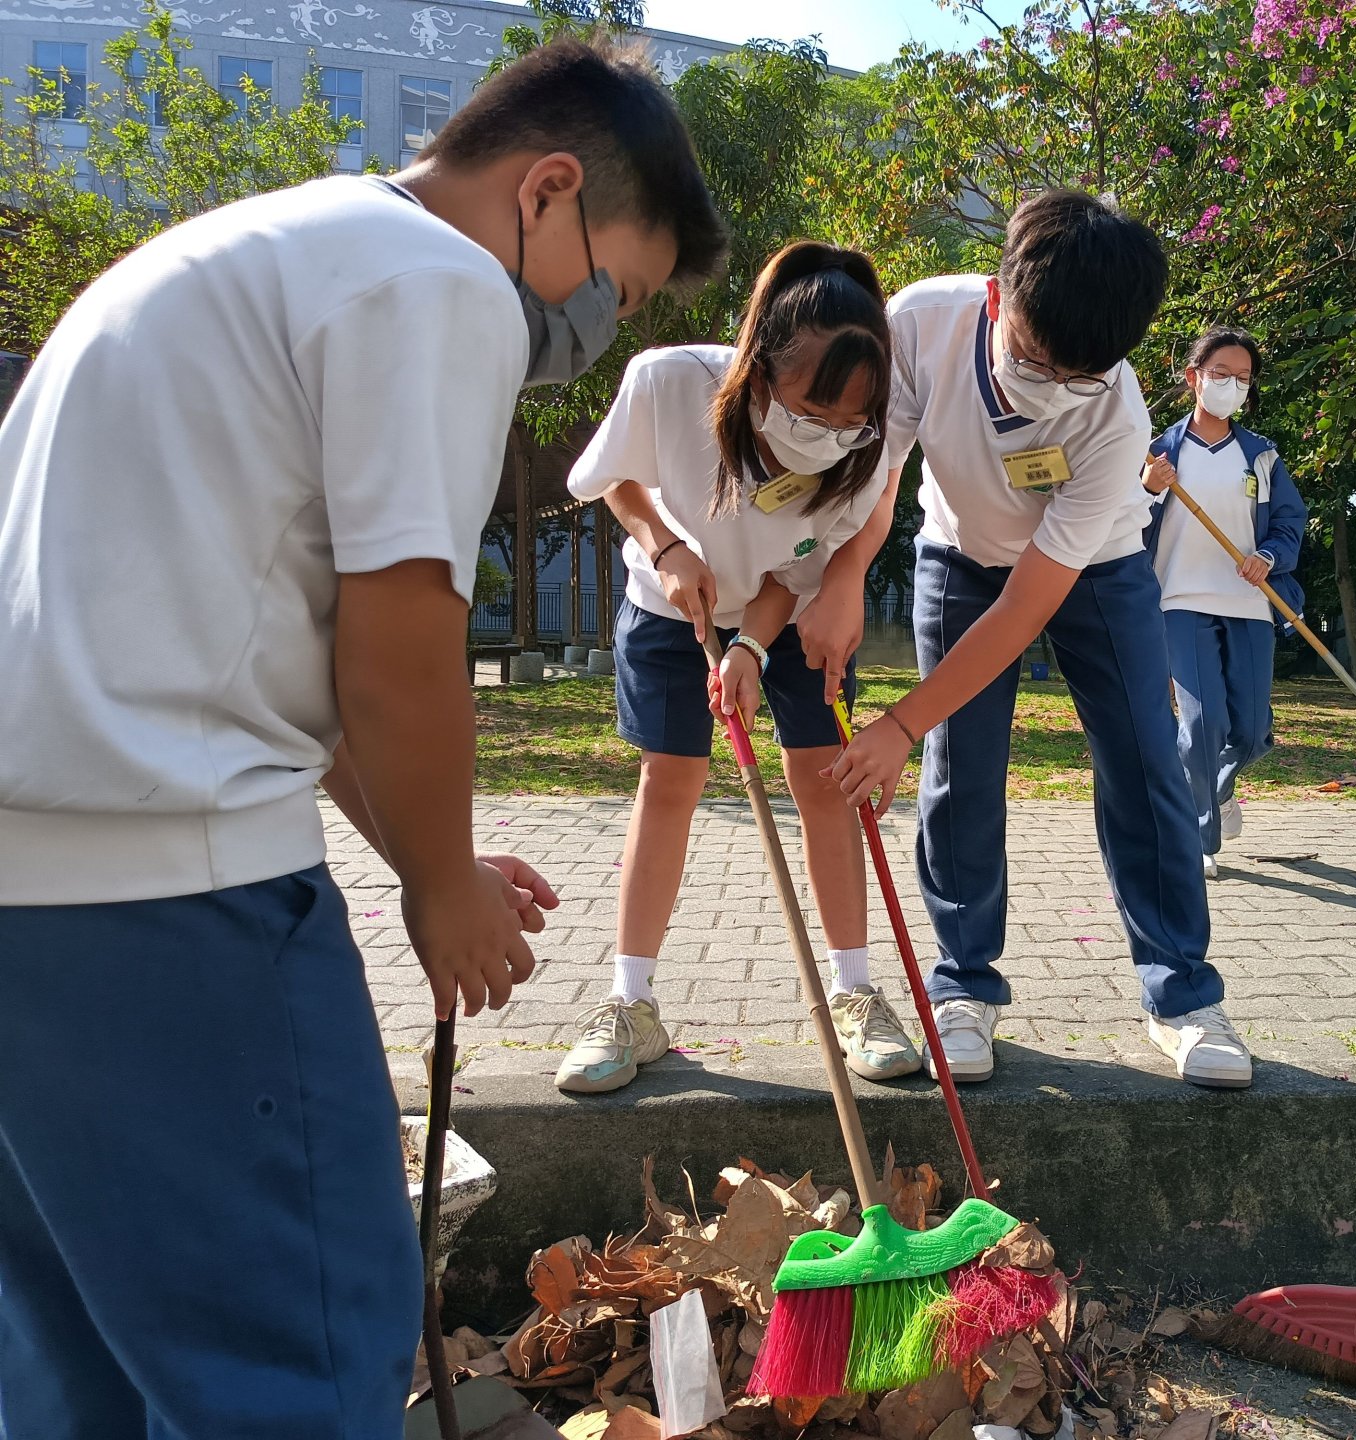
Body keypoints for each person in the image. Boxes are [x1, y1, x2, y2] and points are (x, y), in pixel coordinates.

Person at [0, 39, 725, 1437]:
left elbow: (291, 636)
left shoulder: (252, 247)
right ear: (548, 192)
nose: (593, 333)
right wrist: (439, 886)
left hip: (34, 895)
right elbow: (400, 636)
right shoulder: (437, 282)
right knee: (300, 1352)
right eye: (614, 289)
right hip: (172, 899)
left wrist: (430, 849)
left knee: (79, 1360)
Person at [825, 189, 1252, 1090]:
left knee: (1146, 765)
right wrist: (842, 581)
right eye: (1033, 357)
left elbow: (1023, 613)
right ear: (994, 296)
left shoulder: (1117, 415)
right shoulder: (919, 324)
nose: (1051, 387)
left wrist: (896, 722)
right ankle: (963, 985)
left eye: (1078, 374)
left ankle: (1181, 995)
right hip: (958, 551)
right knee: (961, 767)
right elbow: (876, 482)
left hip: (1095, 568)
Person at [558, 242, 919, 1093]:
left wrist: (754, 648)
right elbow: (614, 480)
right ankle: (631, 1003)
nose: (829, 434)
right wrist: (667, 544)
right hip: (669, 601)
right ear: (758, 369)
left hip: (786, 610)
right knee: (673, 779)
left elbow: (801, 573)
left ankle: (853, 991)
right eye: (811, 409)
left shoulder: (859, 453)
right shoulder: (670, 380)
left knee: (823, 778)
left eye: (849, 419)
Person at [1141, 327, 1305, 878]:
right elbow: (1119, 526)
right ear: (1194, 378)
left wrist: (1268, 556)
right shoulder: (1160, 452)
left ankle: (1219, 784)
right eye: (1220, 375)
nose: (1232, 385)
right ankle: (1200, 838)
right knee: (1202, 720)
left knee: (1253, 732)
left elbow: (1289, 523)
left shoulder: (1260, 456)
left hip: (1250, 602)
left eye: (1242, 378)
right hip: (1180, 600)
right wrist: (1145, 488)